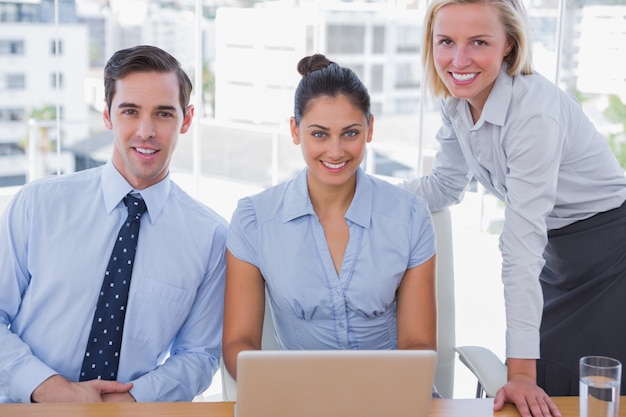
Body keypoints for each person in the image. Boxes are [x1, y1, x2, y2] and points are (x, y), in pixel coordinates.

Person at [402, 0, 626, 415]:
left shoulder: (533, 112)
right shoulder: (456, 103)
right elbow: (445, 186)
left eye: (479, 42)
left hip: (612, 253)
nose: (458, 59)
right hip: (559, 257)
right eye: (446, 42)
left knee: (573, 385)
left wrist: (521, 371)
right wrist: (362, 194)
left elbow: (521, 243)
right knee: (543, 380)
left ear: (509, 45)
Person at [0, 45, 228, 403]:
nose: (146, 130)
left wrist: (131, 400)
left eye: (164, 114)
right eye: (130, 111)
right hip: (28, 408)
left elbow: (199, 354)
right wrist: (49, 388)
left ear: (186, 119)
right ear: (107, 115)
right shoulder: (38, 205)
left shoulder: (210, 237)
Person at [222, 54, 438, 392]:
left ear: (370, 129)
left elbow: (418, 346)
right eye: (319, 134)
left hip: (391, 398)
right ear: (295, 131)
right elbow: (239, 343)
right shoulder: (254, 221)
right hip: (294, 399)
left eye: (350, 133)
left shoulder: (410, 217)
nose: (335, 151)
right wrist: (286, 394)